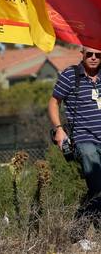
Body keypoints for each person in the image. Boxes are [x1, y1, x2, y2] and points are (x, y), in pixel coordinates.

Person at [48, 46, 101, 228]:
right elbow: (54, 102)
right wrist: (59, 129)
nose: (94, 58)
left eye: (98, 55)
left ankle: (78, 228)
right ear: (82, 54)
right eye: (89, 54)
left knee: (97, 191)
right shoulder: (70, 75)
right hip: (84, 140)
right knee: (92, 166)